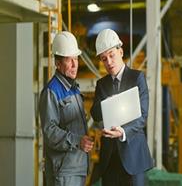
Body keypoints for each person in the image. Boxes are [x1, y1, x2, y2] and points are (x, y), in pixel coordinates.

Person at [90, 28, 153, 186]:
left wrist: (123, 132)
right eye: (104, 59)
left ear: (121, 52)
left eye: (111, 55)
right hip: (110, 160)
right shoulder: (102, 85)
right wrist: (107, 104)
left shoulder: (137, 78)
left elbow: (142, 116)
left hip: (133, 158)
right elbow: (95, 114)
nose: (109, 62)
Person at [39, 31, 94, 186]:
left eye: (76, 59)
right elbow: (50, 131)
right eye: (69, 60)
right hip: (63, 173)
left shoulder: (74, 89)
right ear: (57, 63)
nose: (75, 64)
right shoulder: (52, 91)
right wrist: (77, 141)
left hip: (77, 168)